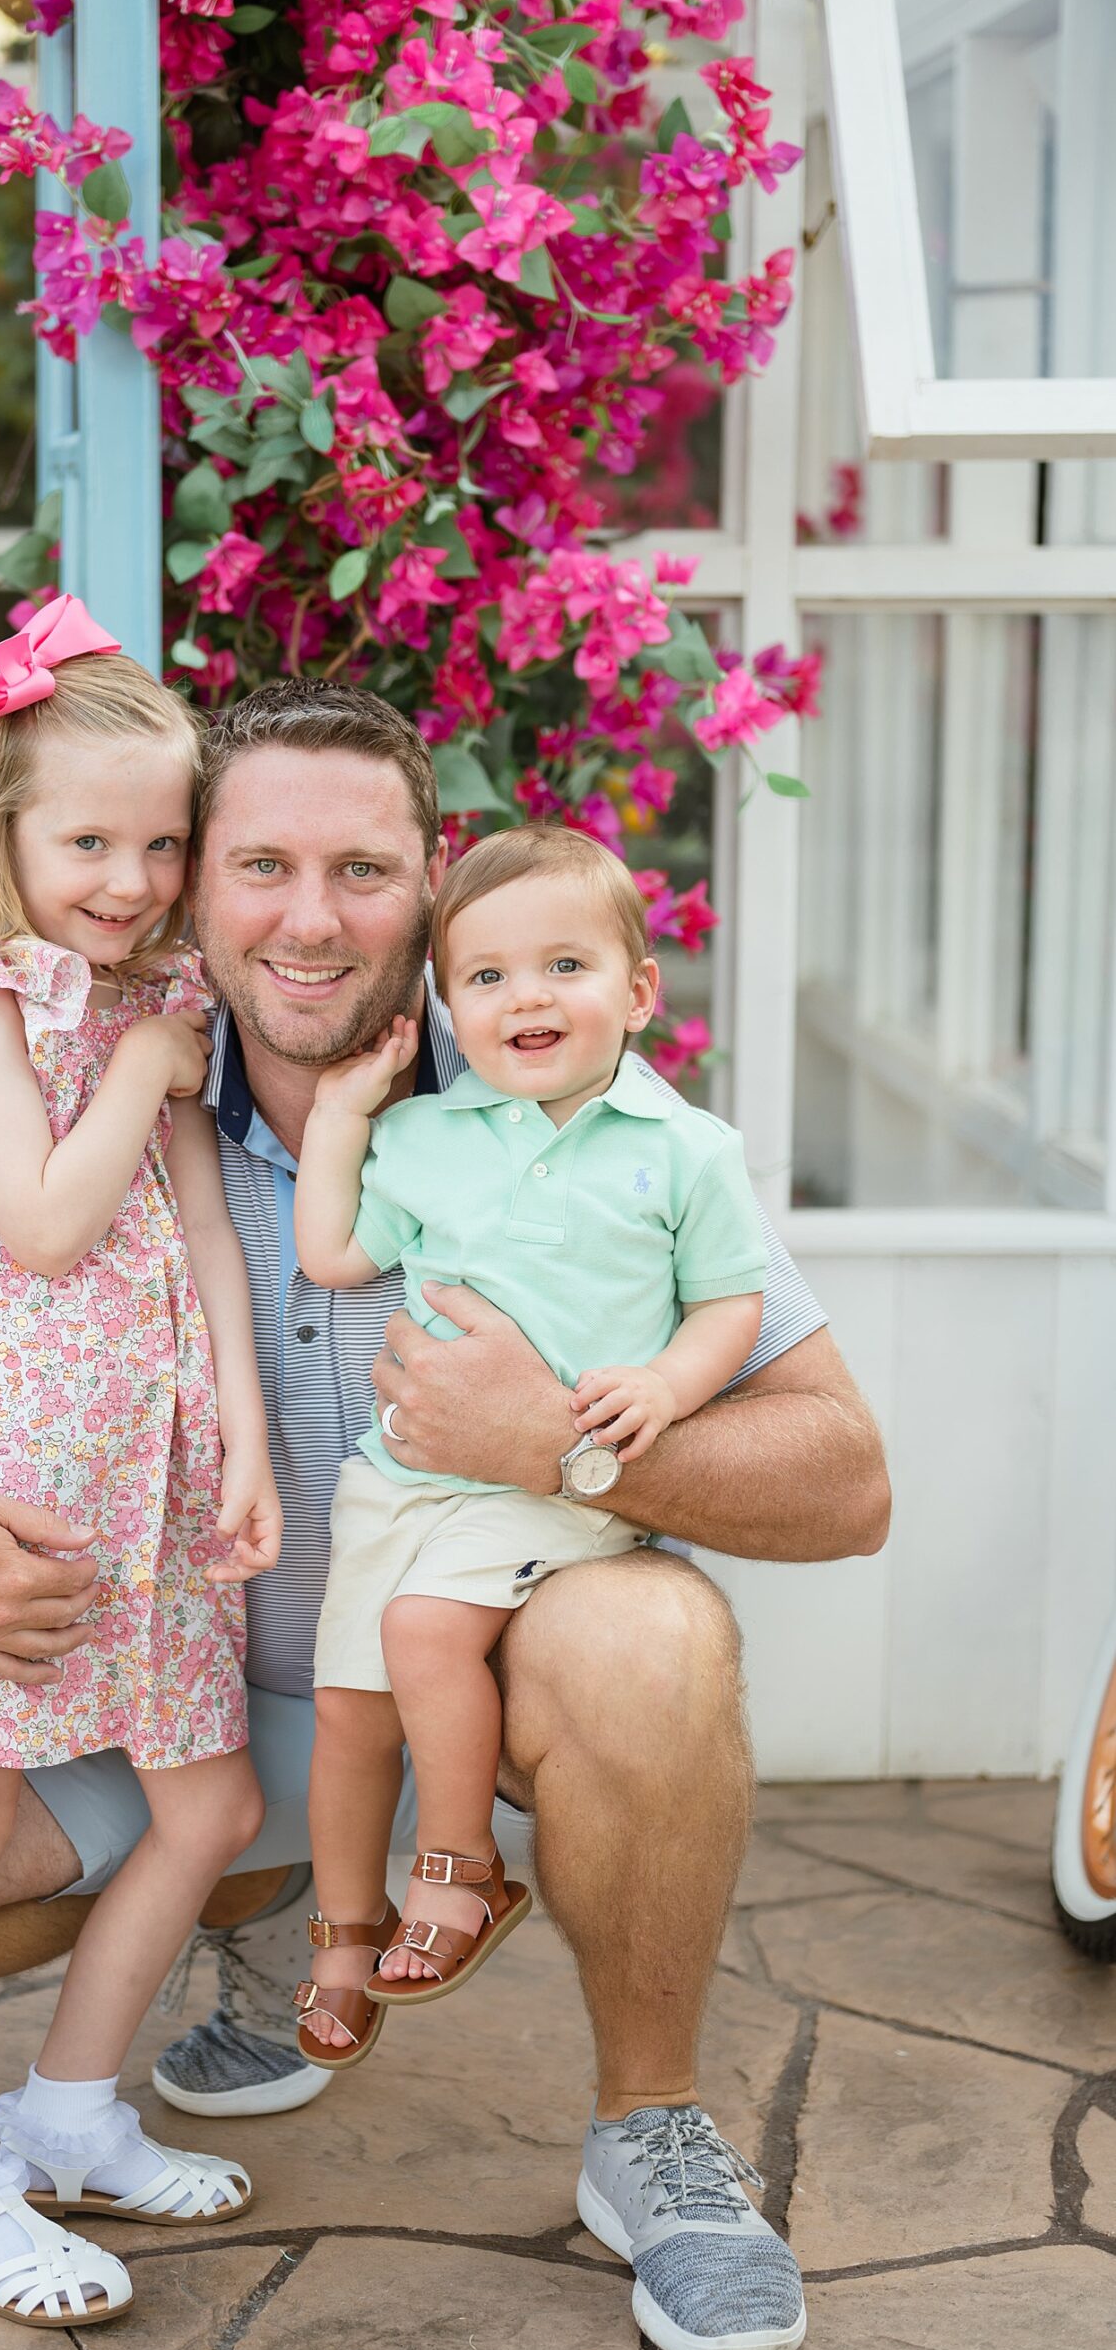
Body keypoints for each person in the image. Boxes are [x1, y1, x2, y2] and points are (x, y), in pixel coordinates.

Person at [0, 676, 891, 2350]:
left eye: (365, 872)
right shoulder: (112, 1089)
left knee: (650, 1636)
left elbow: (845, 1476)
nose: (311, 919)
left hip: (478, 1666)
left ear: (435, 880)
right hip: (196, 1684)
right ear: (189, 887)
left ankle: (652, 2139)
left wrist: (561, 1442)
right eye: (258, 865)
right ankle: (272, 1926)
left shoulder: (565, 1116)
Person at [0, 594, 279, 2329]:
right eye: (86, 841)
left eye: (158, 844)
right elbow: (41, 1223)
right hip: (16, 1498)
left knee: (210, 1804)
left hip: (164, 1482)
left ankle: (72, 2110)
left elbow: (196, 1226)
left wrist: (246, 1438)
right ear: (6, 827)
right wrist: (149, 1067)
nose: (125, 878)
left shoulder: (152, 991)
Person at [291, 825, 766, 2074]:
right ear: (450, 1004)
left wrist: (665, 1384)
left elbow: (730, 1302)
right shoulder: (428, 1138)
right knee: (350, 1708)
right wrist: (343, 1116)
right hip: (399, 1476)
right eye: (488, 977)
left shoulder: (682, 1151)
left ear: (638, 989)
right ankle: (345, 1926)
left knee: (420, 1635)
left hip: (547, 1482)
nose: (527, 997)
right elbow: (335, 1253)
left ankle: (462, 1867)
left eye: (564, 964)